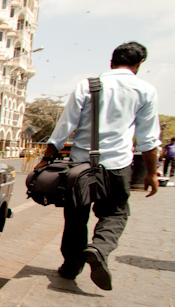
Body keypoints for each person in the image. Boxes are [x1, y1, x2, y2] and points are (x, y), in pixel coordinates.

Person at [36, 41, 161, 291]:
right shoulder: (145, 91)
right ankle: (100, 248)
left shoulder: (89, 85)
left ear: (111, 61)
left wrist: (46, 159)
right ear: (138, 65)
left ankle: (71, 266)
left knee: (75, 217)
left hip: (80, 166)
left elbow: (64, 127)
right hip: (117, 166)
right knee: (115, 212)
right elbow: (148, 140)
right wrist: (151, 173)